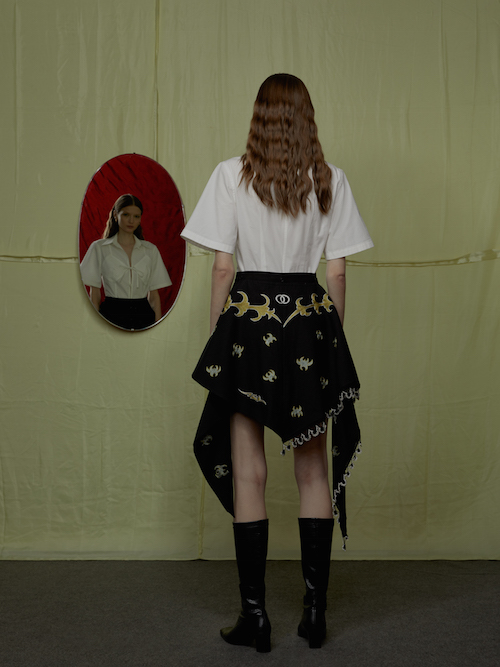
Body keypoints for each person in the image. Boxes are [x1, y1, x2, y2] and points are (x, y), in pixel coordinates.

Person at [181, 74, 374, 652]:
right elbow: (337, 272)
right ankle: (315, 616)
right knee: (312, 470)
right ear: (307, 117)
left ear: (258, 116)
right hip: (309, 322)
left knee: (249, 472)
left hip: (249, 324)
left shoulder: (230, 175)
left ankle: (255, 617)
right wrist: (330, 340)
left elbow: (222, 267)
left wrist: (218, 334)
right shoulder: (329, 179)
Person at [80, 194, 172, 330]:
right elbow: (94, 294)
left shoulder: (150, 250)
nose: (131, 220)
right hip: (111, 315)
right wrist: (94, 326)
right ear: (115, 215)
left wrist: (158, 327)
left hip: (144, 317)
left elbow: (154, 296)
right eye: (126, 215)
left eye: (136, 216)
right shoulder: (99, 248)